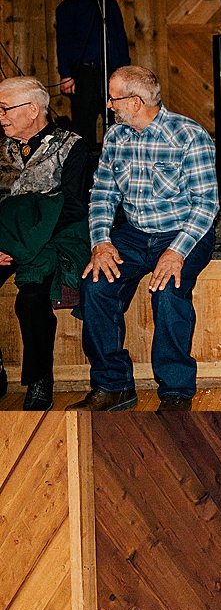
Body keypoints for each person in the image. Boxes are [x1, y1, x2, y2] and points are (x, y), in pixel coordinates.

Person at [67, 66, 219, 412]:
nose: (108, 105)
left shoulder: (188, 135)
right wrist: (101, 242)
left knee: (168, 291)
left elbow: (206, 206)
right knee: (95, 285)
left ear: (135, 102)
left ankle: (176, 391)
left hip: (185, 231)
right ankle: (113, 385)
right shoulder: (116, 137)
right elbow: (103, 193)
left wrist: (176, 252)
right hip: (134, 233)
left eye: (113, 98)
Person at [0, 76, 91, 410]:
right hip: (4, 239)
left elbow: (73, 206)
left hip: (50, 239)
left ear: (33, 109)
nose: (1, 116)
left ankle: (40, 382)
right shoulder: (1, 147)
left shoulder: (71, 146)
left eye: (5, 108)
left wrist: (28, 243)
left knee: (32, 299)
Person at [56, 0, 131, 148]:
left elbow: (119, 37)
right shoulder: (68, 7)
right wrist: (66, 74)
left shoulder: (109, 4)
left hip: (112, 71)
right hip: (84, 73)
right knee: (84, 124)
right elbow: (63, 42)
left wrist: (125, 72)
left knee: (117, 120)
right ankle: (86, 170)